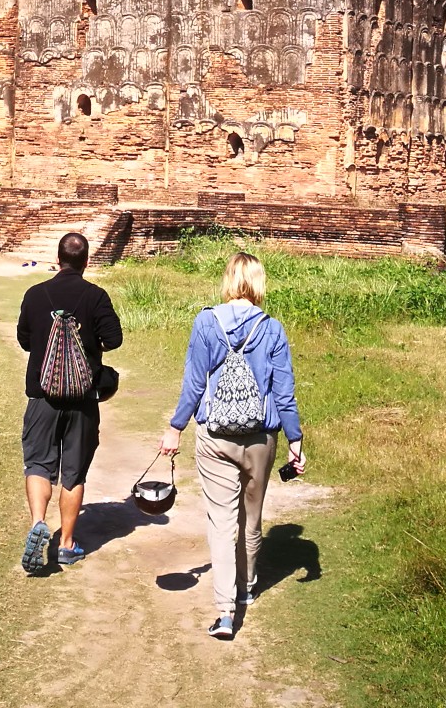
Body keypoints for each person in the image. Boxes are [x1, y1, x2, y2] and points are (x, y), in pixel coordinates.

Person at [160, 250, 304, 640]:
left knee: (222, 524)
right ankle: (247, 588)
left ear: (227, 281)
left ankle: (224, 611)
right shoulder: (272, 328)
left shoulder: (206, 322)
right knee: (252, 518)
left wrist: (176, 427)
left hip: (215, 436)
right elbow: (284, 391)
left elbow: (193, 382)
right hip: (260, 436)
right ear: (258, 284)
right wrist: (295, 440)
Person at [16, 230, 122, 572]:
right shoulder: (95, 296)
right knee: (74, 473)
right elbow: (114, 339)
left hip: (42, 397)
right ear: (86, 261)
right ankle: (66, 544)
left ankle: (37, 523)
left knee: (38, 465)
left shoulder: (35, 294)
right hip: (82, 401)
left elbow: (25, 340)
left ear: (58, 259)